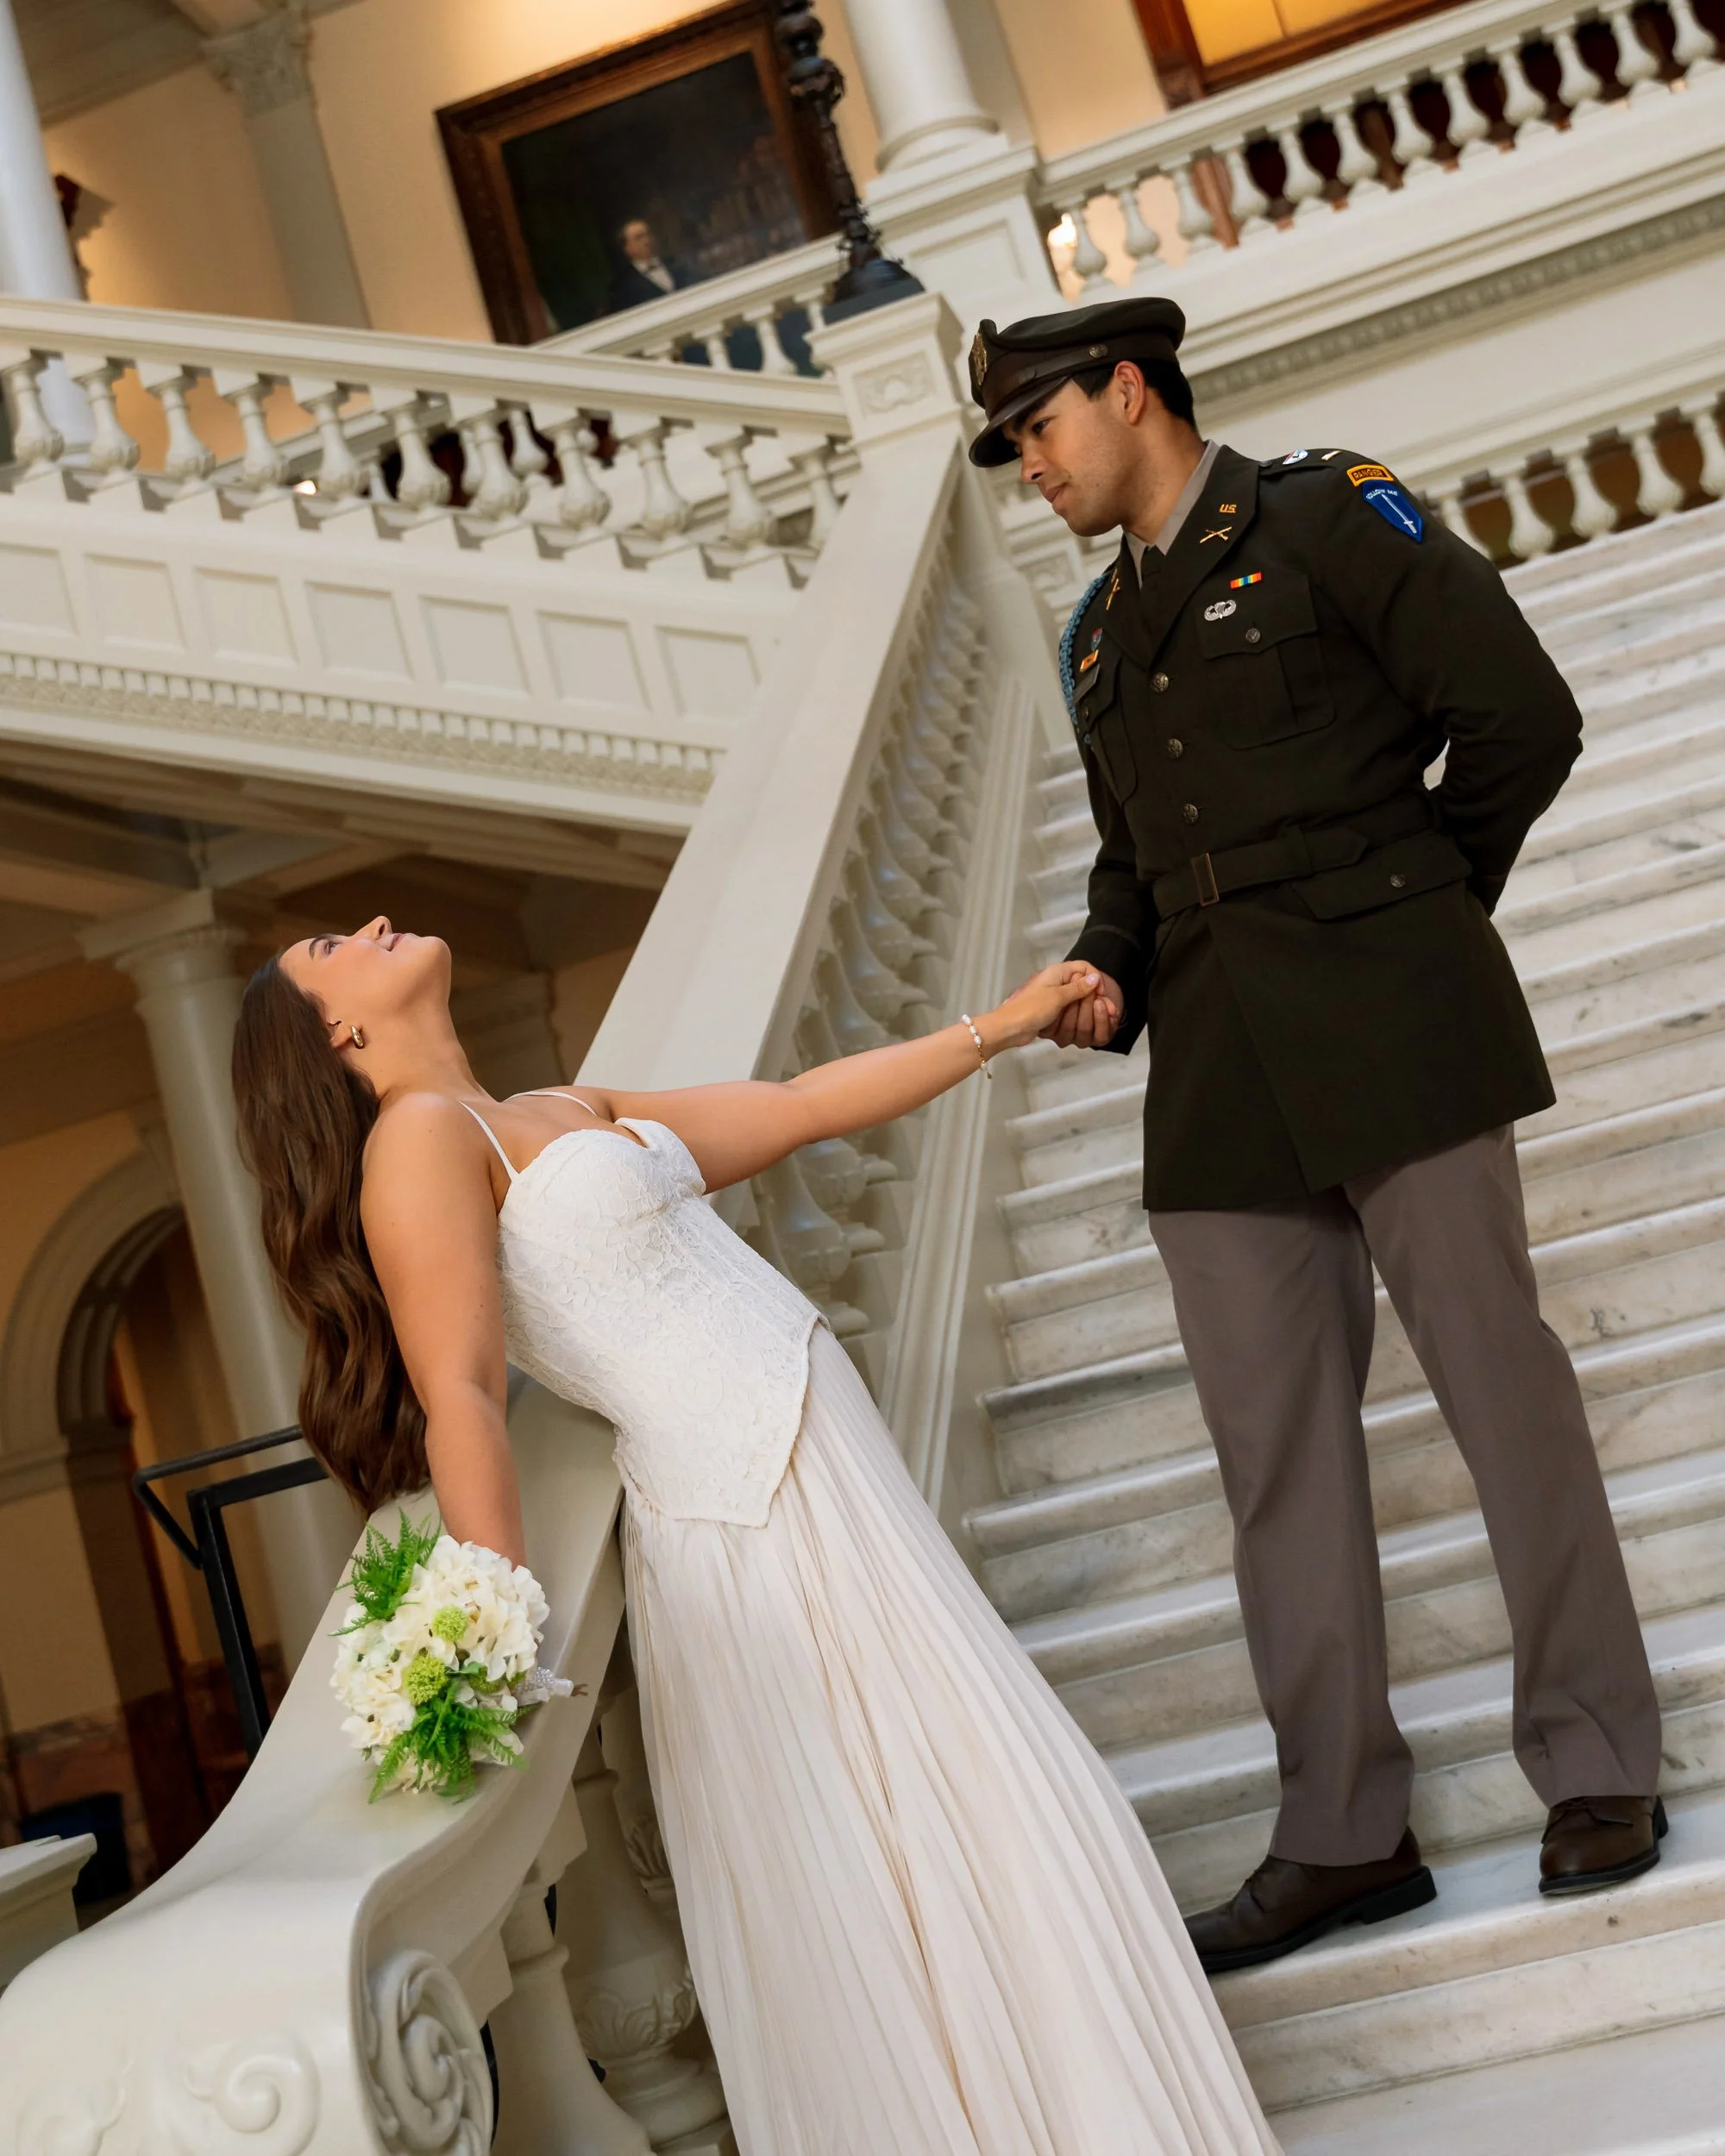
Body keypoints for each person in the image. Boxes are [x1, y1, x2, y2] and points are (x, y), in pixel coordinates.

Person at [233, 918, 1280, 2156]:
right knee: (887, 1855)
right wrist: (494, 1610)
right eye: (331, 946)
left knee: (974, 1799)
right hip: (743, 1524)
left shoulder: (556, 1100)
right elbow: (459, 1389)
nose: (368, 925)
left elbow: (796, 1106)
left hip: (827, 1475)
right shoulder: (416, 1144)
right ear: (341, 1032)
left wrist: (1006, 1022)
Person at [967, 296, 1665, 1974]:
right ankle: (1345, 1828)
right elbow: (1135, 862)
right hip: (1216, 1075)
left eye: (1039, 429)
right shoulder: (1087, 640)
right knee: (1274, 1460)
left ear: (1126, 389)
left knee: (1501, 1389)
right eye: (1010, 450)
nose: (1030, 468)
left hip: (1394, 1018)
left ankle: (1596, 1761)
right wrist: (1106, 974)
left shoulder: (1326, 514)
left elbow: (1519, 716)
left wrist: (1414, 909)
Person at [609, 216, 693, 311]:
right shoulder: (624, 286)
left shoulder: (677, 264)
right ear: (627, 248)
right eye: (639, 238)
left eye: (648, 234)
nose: (646, 241)